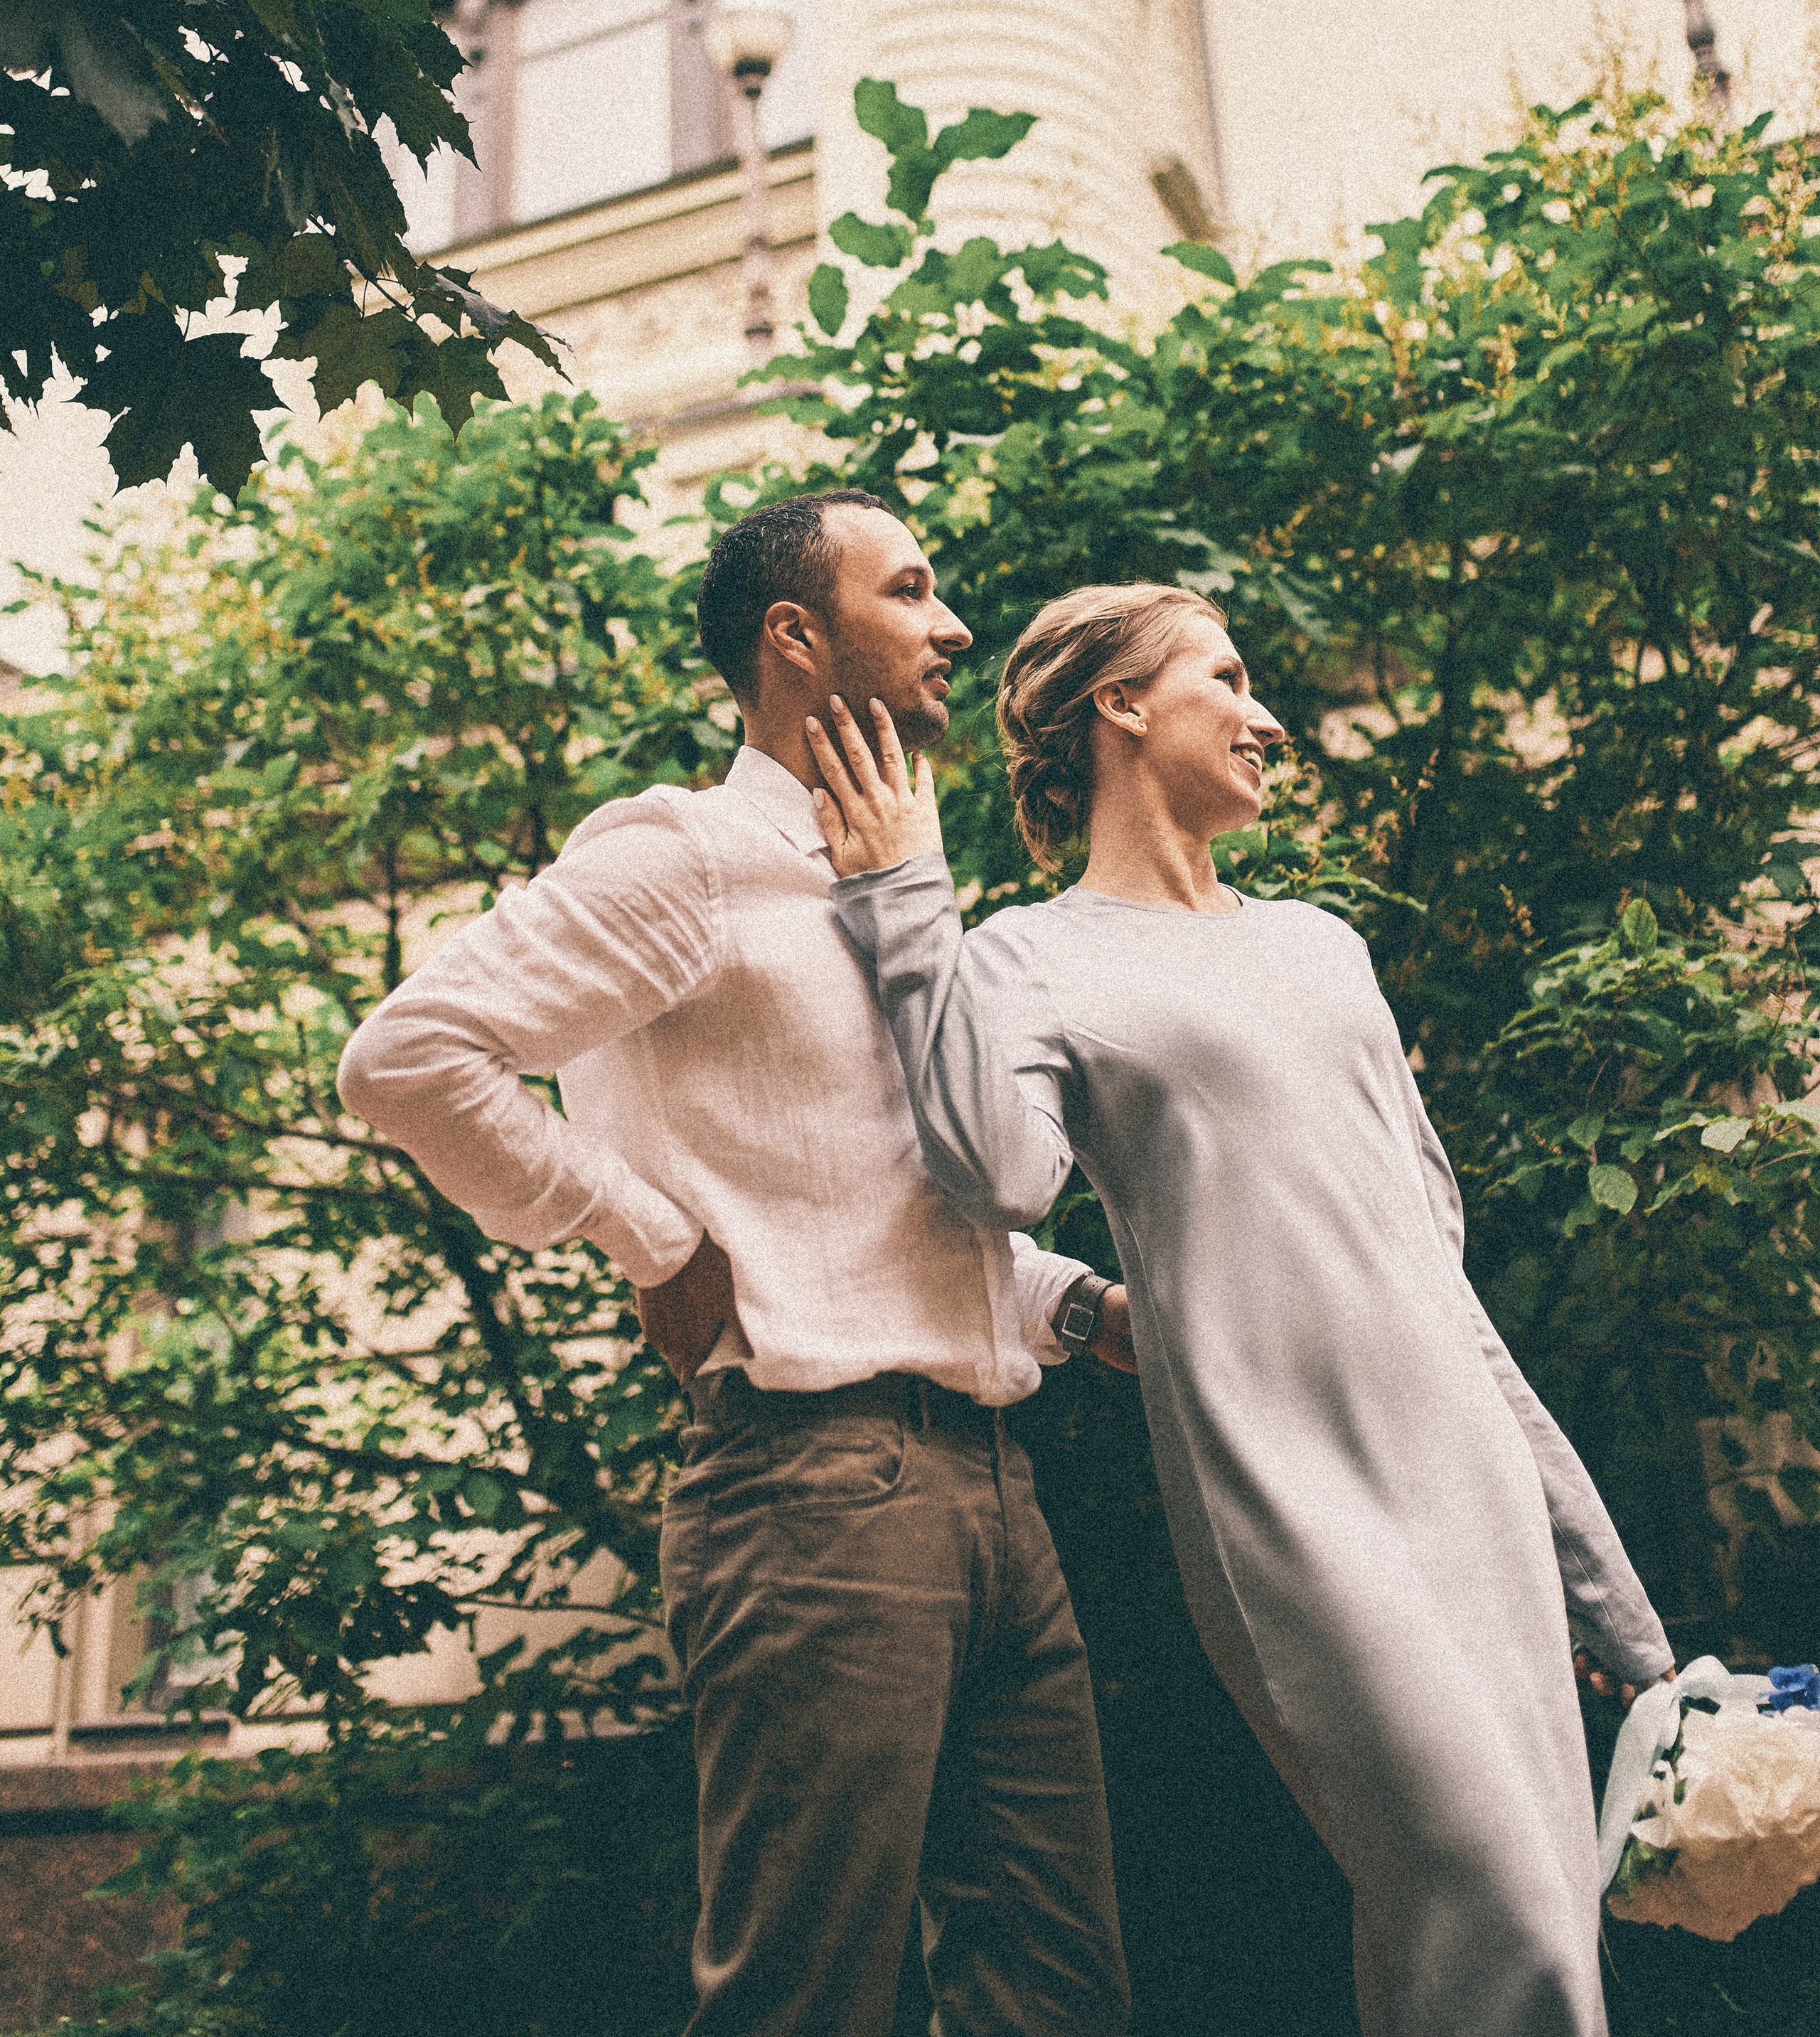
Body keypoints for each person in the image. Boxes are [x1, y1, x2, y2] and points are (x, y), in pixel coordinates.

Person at [812, 580, 1675, 2037]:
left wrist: (1602, 1588)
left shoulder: (1321, 950)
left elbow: (1437, 1290)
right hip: (1281, 1497)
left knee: (1530, 1922)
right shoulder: (1029, 955)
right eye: (1226, 676)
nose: (1266, 716)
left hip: (1464, 1477)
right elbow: (998, 1177)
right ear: (1120, 705)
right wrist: (901, 907)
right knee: (1488, 1899)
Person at [335, 492, 1132, 2037]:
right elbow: (407, 1058)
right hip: (813, 1495)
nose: (953, 624)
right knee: (802, 2004)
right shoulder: (686, 858)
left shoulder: (896, 867)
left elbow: (871, 1200)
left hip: (994, 1491)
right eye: (909, 591)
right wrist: (646, 1234)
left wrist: (1075, 1306)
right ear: (795, 636)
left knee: (1055, 1992)